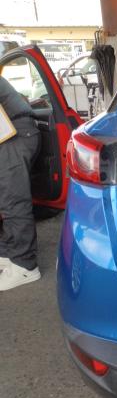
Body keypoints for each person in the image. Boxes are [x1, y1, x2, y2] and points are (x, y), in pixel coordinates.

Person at [0, 75, 41, 291]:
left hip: (14, 134)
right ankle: (8, 252)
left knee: (14, 201)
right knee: (6, 200)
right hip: (12, 132)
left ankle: (25, 266)